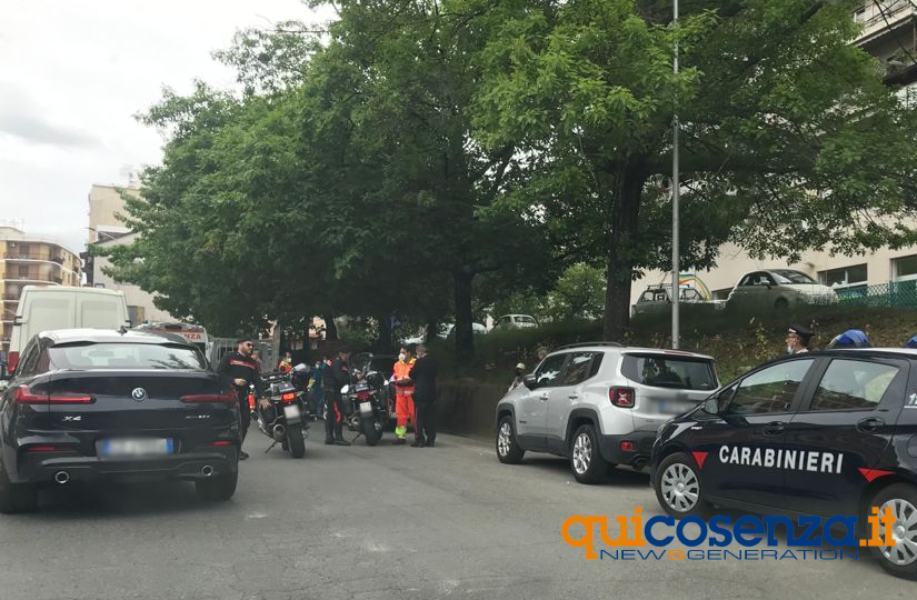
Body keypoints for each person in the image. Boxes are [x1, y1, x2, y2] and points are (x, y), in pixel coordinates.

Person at [216, 338, 263, 460]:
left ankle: (237, 449)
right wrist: (233, 380)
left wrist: (262, 397)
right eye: (248, 345)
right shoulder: (229, 357)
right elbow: (219, 373)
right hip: (228, 395)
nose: (251, 347)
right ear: (240, 345)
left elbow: (257, 381)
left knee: (245, 422)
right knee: (228, 423)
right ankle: (222, 449)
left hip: (243, 396)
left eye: (252, 345)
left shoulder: (252, 363)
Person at [322, 346, 352, 446]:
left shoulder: (331, 361)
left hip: (329, 390)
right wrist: (352, 379)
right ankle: (338, 437)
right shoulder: (337, 363)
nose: (347, 357)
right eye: (346, 355)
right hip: (333, 391)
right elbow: (339, 377)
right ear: (342, 354)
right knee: (338, 414)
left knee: (330, 414)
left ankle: (329, 437)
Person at [410, 344, 438, 447]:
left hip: (420, 393)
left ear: (420, 352)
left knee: (419, 418)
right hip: (431, 393)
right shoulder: (434, 362)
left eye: (417, 353)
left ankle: (420, 440)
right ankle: (431, 440)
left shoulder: (419, 362)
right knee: (430, 418)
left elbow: (411, 374)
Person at [391, 346, 417, 445]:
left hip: (412, 394)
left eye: (404, 352)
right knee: (400, 416)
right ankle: (400, 437)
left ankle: (418, 435)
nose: (401, 354)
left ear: (409, 353)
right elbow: (395, 376)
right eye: (400, 352)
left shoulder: (415, 363)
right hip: (400, 393)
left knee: (414, 415)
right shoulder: (397, 364)